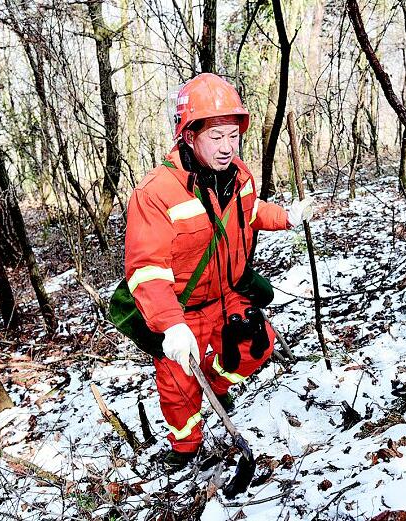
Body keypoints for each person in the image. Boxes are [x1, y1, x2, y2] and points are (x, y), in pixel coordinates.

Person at [124, 73, 313, 470]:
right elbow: (146, 270)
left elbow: (251, 213)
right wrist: (170, 325)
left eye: (233, 135)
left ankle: (215, 385)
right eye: (216, 136)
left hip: (227, 294)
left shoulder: (239, 175)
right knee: (178, 388)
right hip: (182, 309)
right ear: (188, 135)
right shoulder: (155, 193)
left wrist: (288, 218)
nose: (227, 147)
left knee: (256, 344)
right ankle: (185, 446)